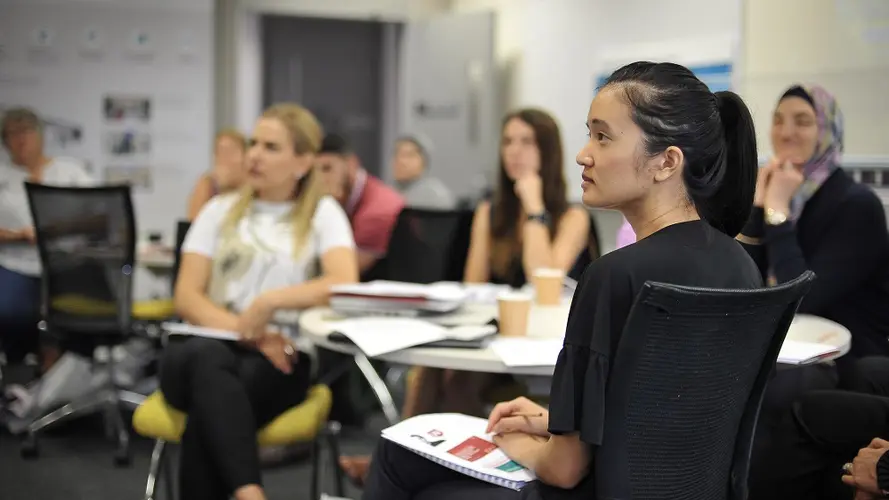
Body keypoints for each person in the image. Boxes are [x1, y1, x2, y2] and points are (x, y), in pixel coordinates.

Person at [361, 60, 763, 499]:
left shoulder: (615, 275)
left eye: (603, 136)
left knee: (398, 454)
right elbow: (667, 412)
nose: (583, 153)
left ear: (666, 162)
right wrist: (559, 422)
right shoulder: (741, 265)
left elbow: (564, 469)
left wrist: (516, 442)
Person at [338, 108, 593, 486]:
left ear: (548, 151)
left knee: (457, 380)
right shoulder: (490, 212)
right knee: (429, 368)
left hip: (540, 347)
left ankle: (441, 473)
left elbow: (546, 282)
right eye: (508, 141)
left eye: (526, 142)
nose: (514, 152)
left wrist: (535, 210)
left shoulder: (571, 216)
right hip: (494, 335)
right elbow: (474, 287)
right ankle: (400, 461)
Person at [161, 103, 358, 500]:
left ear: (302, 161)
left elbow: (343, 281)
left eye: (270, 147)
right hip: (204, 346)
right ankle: (250, 491)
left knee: (210, 412)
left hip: (280, 360)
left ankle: (247, 491)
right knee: (207, 357)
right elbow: (186, 296)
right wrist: (249, 332)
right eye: (253, 143)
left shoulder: (323, 213)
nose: (253, 154)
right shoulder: (218, 211)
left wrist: (269, 302)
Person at [737, 84, 889, 362]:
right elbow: (742, 285)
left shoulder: (857, 205)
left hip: (849, 360)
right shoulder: (780, 192)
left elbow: (799, 299)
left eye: (803, 121)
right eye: (778, 120)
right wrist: (758, 208)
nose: (786, 133)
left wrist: (777, 212)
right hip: (788, 350)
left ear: (827, 130)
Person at [0, 107, 94, 368]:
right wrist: (17, 235)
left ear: (40, 136)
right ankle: (20, 365)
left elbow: (99, 213)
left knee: (81, 311)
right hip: (15, 262)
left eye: (27, 132)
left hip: (67, 262)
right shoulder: (3, 175)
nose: (21, 140)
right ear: (5, 141)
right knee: (10, 310)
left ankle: (67, 372)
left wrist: (58, 229)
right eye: (12, 134)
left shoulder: (69, 172)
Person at [315, 133, 405, 276]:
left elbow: (342, 272)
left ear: (351, 164)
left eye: (327, 169)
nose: (320, 180)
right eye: (314, 173)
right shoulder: (347, 200)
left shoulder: (377, 211)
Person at [187, 128, 249, 221]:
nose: (225, 158)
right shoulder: (207, 184)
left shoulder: (253, 185)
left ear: (245, 156)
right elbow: (193, 223)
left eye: (231, 152)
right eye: (220, 152)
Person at [392, 134, 456, 210]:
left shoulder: (435, 196)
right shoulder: (386, 193)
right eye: (397, 154)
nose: (401, 161)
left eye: (409, 155)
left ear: (424, 161)